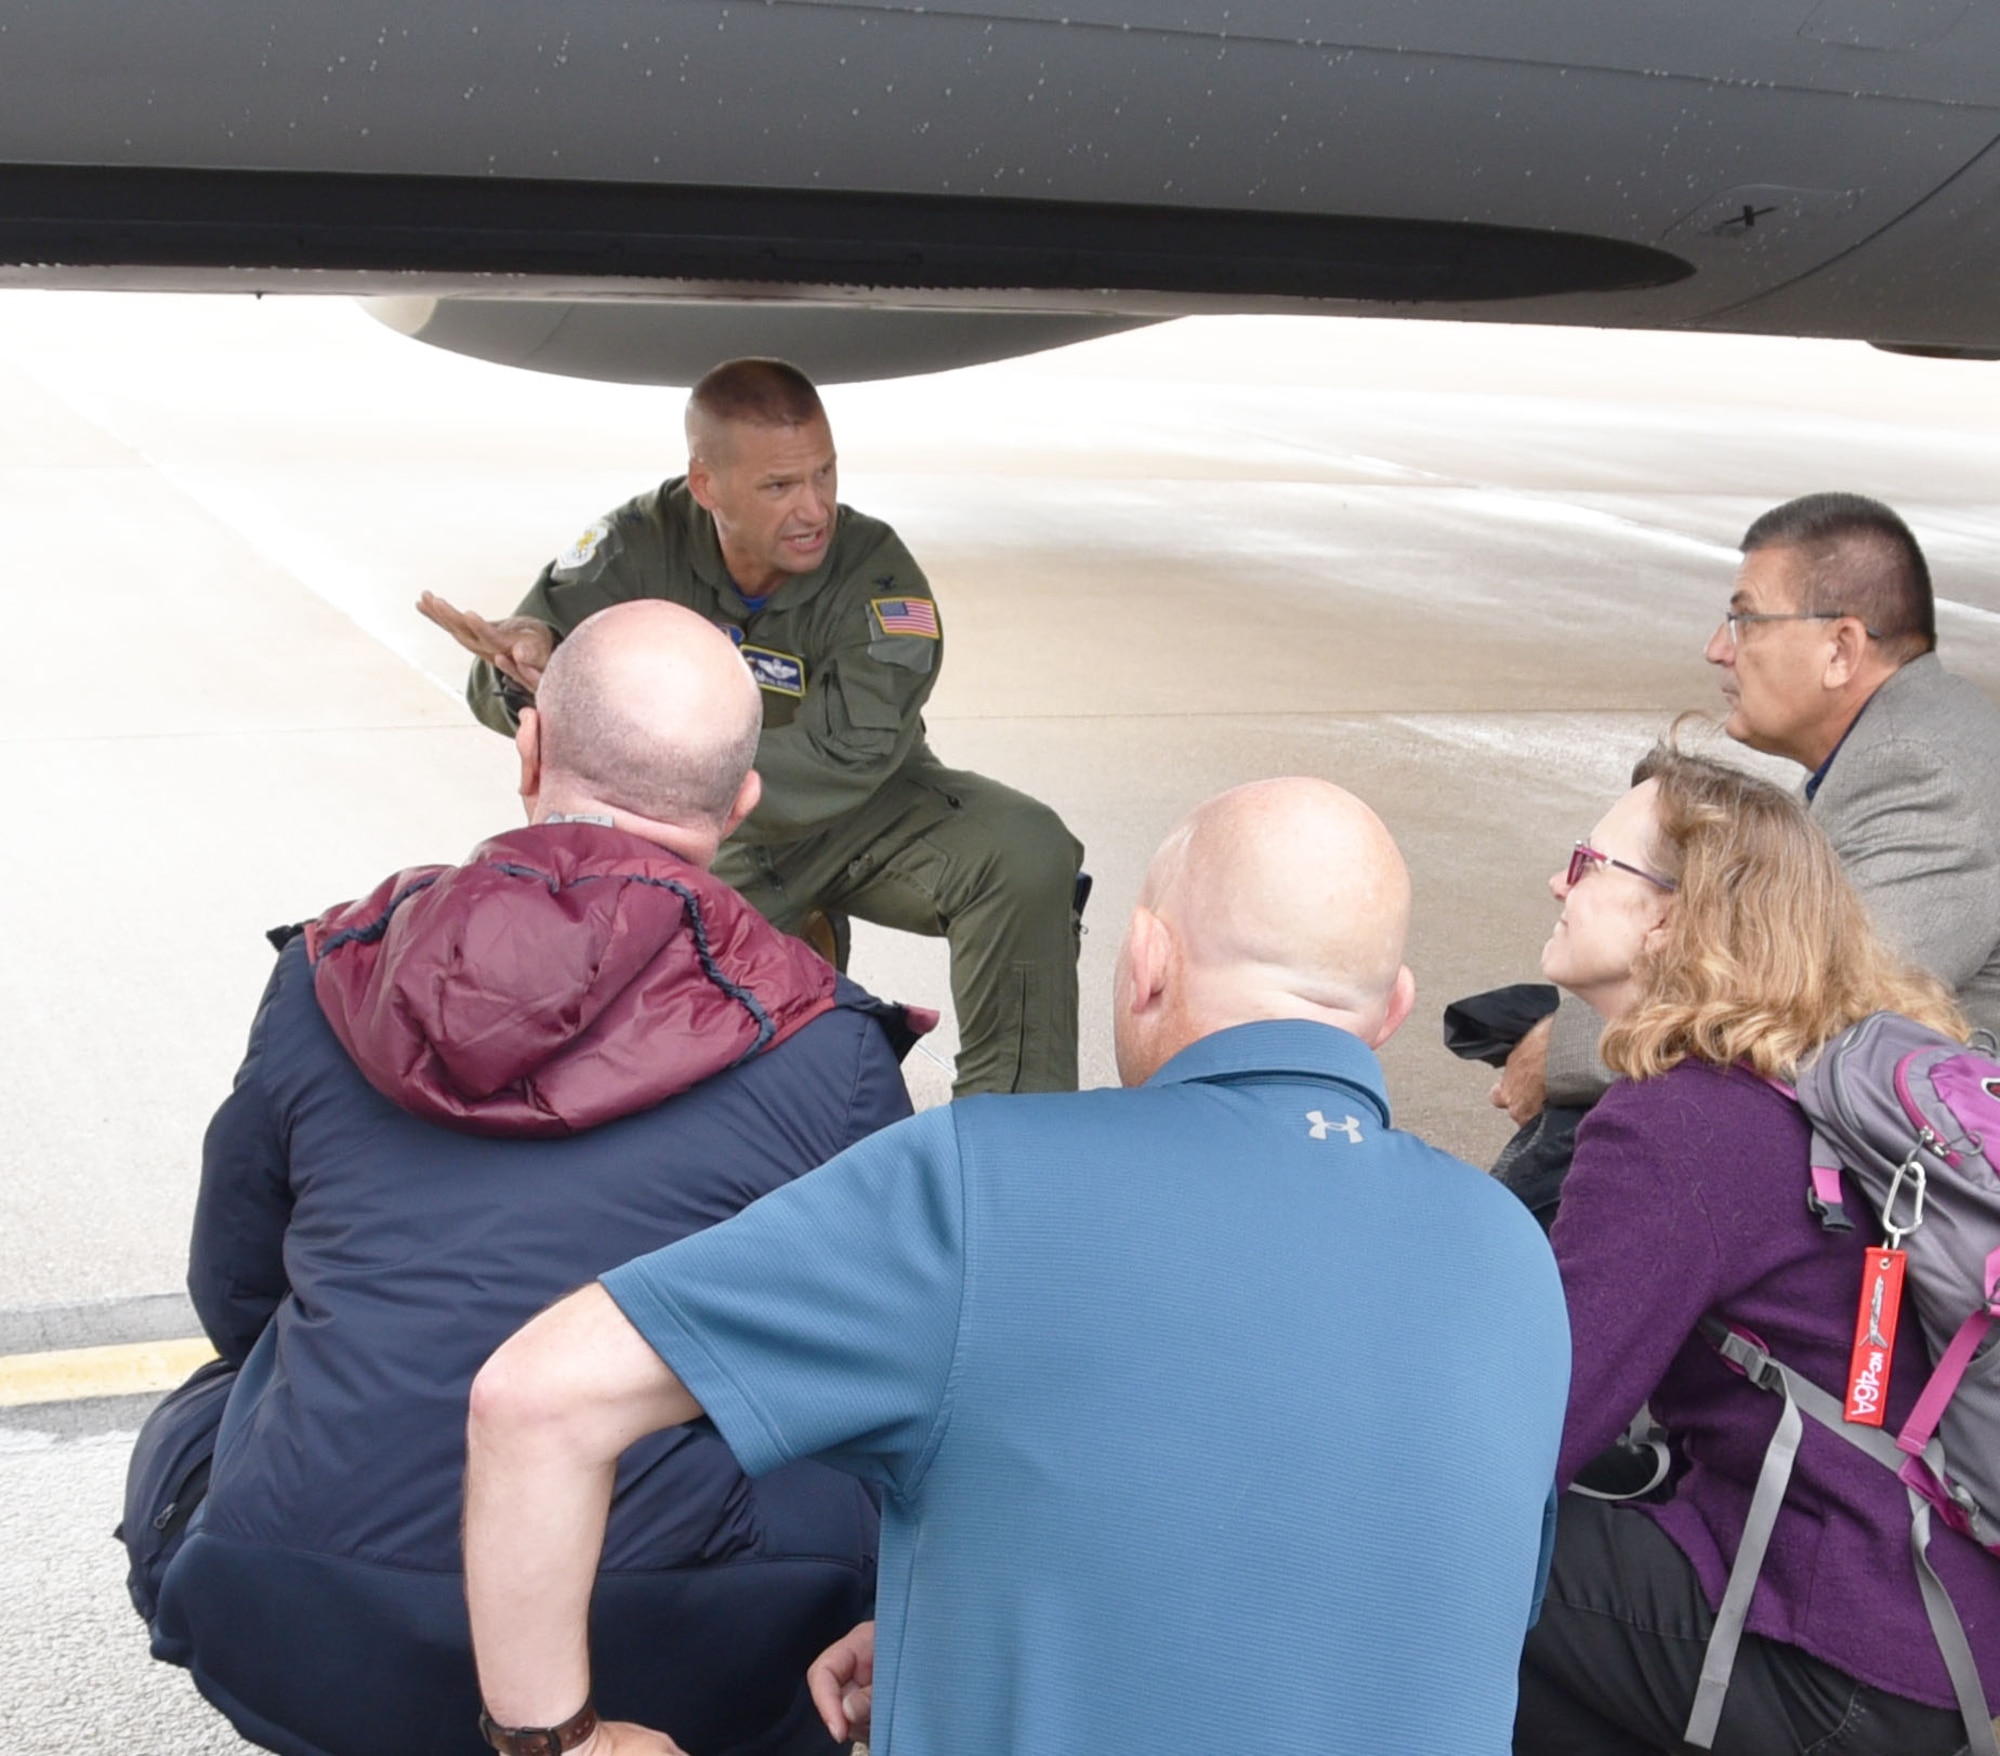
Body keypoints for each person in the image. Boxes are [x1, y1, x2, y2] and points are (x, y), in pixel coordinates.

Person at [461, 777, 1570, 1756]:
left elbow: (535, 1399)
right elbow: (1373, 1587)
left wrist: (558, 1739)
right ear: (1389, 1012)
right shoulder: (1513, 1254)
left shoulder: (980, 1183)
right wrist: (978, 1606)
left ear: (1144, 962)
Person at [134, 602, 924, 1756]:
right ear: (741, 801)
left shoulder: (326, 974)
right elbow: (876, 1370)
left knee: (228, 1390)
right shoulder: (823, 1038)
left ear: (531, 752)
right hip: (680, 1638)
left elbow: (237, 1291)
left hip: (301, 1612)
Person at [418, 356, 1085, 1098]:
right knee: (669, 1014)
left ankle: (1015, 1127)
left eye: (824, 475)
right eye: (779, 486)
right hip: (708, 837)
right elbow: (511, 679)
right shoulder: (636, 547)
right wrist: (527, 670)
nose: (814, 509)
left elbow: (852, 752)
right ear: (708, 486)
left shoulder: (876, 573)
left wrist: (670, 773)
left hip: (859, 818)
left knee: (1027, 850)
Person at [1515, 746, 2000, 1755]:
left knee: (1428, 1553)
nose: (1554, 882)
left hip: (1826, 1657)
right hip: (1942, 1634)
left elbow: (1533, 1432)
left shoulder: (1672, 1123)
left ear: (1664, 915)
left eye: (1584, 861)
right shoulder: (1822, 1078)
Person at [1499, 491, 2000, 1127]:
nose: (1718, 648)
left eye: (1745, 621)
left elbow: (1812, 1006)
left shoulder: (1919, 776)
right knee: (1518, 1009)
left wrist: (1561, 1052)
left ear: (1841, 650)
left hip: (1929, 1176)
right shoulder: (1902, 737)